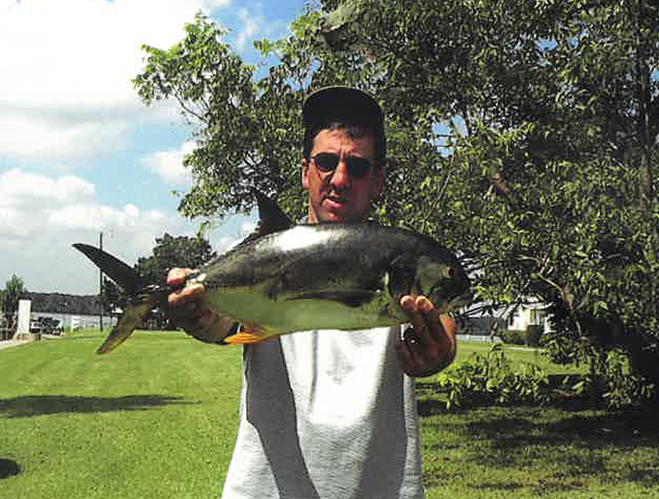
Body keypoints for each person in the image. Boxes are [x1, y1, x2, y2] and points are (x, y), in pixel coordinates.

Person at [166, 86, 457, 499]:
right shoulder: (266, 256)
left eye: (358, 167)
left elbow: (440, 322)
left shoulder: (398, 255)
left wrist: (439, 351)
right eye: (326, 162)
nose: (339, 179)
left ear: (378, 180)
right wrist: (196, 313)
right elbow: (222, 325)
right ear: (306, 171)